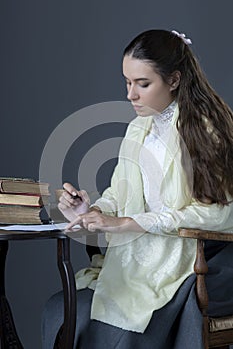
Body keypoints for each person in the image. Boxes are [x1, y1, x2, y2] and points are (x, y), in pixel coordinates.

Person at [42, 29, 233, 349]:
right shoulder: (138, 128)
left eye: (142, 84)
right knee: (60, 308)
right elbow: (120, 191)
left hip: (190, 257)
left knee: (124, 328)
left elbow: (221, 212)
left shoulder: (204, 129)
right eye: (127, 82)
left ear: (173, 80)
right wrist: (93, 210)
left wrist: (133, 223)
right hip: (138, 259)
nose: (131, 94)